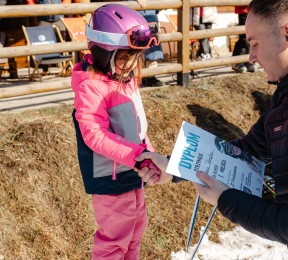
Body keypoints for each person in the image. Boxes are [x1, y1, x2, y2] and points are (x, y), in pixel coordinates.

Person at [135, 0, 288, 245]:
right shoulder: (281, 102)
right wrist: (175, 167)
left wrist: (226, 199)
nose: (251, 57)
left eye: (255, 44)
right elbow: (245, 152)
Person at [71, 4, 161, 259]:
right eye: (124, 58)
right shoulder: (91, 88)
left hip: (131, 170)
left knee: (135, 230)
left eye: (135, 57)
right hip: (109, 178)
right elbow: (94, 135)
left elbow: (136, 129)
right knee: (115, 239)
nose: (130, 64)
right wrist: (138, 155)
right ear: (102, 53)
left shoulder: (124, 80)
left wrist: (150, 155)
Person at [124, 0, 165, 87]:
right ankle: (136, 77)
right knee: (136, 43)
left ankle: (150, 76)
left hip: (150, 10)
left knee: (152, 43)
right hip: (134, 10)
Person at [26, 0, 71, 75]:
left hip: (59, 17)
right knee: (42, 43)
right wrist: (39, 8)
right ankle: (45, 69)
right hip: (43, 19)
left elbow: (67, 1)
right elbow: (29, 2)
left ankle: (66, 67)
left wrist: (61, 7)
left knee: (63, 42)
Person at [232, 6, 257, 73]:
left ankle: (248, 60)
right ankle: (236, 62)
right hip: (244, 10)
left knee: (252, 36)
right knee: (244, 37)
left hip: (254, 9)